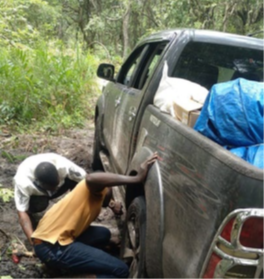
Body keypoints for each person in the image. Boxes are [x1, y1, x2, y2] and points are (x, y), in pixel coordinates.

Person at [31, 153, 158, 279]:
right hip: (51, 247)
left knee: (104, 234)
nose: (110, 194)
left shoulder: (92, 196)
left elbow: (104, 199)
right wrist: (136, 178)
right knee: (121, 271)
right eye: (109, 189)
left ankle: (69, 264)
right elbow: (92, 178)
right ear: (104, 186)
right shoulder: (91, 186)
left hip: (50, 237)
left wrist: (111, 204)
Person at [14, 153, 121, 246]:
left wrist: (111, 203)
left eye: (56, 184)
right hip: (38, 196)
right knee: (35, 206)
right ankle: (35, 221)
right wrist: (33, 241)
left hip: (63, 184)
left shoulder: (65, 167)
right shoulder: (23, 182)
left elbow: (94, 183)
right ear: (39, 183)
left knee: (84, 185)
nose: (54, 189)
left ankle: (75, 208)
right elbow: (22, 214)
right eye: (51, 187)